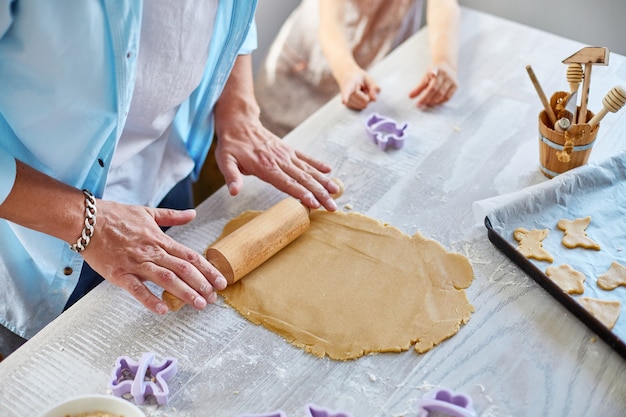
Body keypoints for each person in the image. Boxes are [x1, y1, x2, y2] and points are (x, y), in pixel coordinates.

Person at [0, 0, 340, 353]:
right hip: (39, 231)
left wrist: (237, 104)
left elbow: (231, 13)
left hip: (166, 173)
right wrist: (88, 221)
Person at [254, 0, 460, 137]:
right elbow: (330, 22)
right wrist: (347, 72)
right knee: (276, 145)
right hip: (313, 57)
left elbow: (444, 5)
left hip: (374, 49)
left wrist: (444, 62)